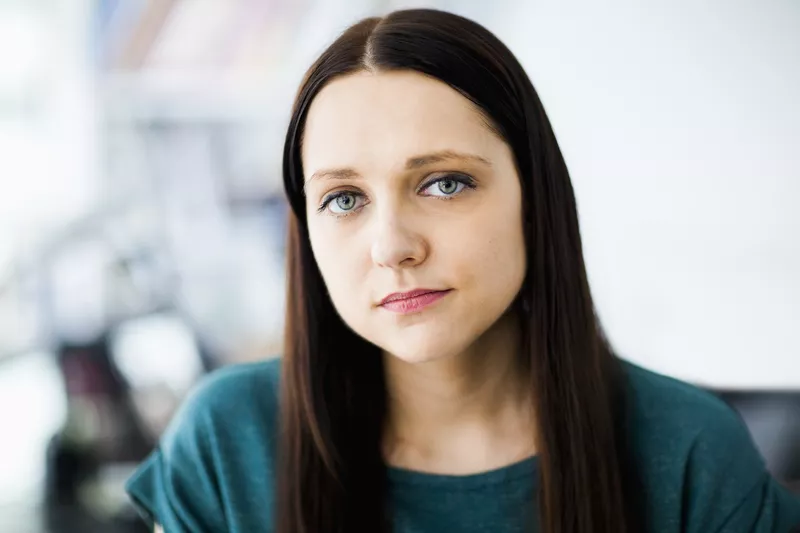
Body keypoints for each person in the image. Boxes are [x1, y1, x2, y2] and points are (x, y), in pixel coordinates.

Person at [125, 8, 800, 533]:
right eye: (344, 198)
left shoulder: (688, 450)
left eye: (444, 184)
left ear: (534, 200)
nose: (391, 245)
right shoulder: (227, 439)